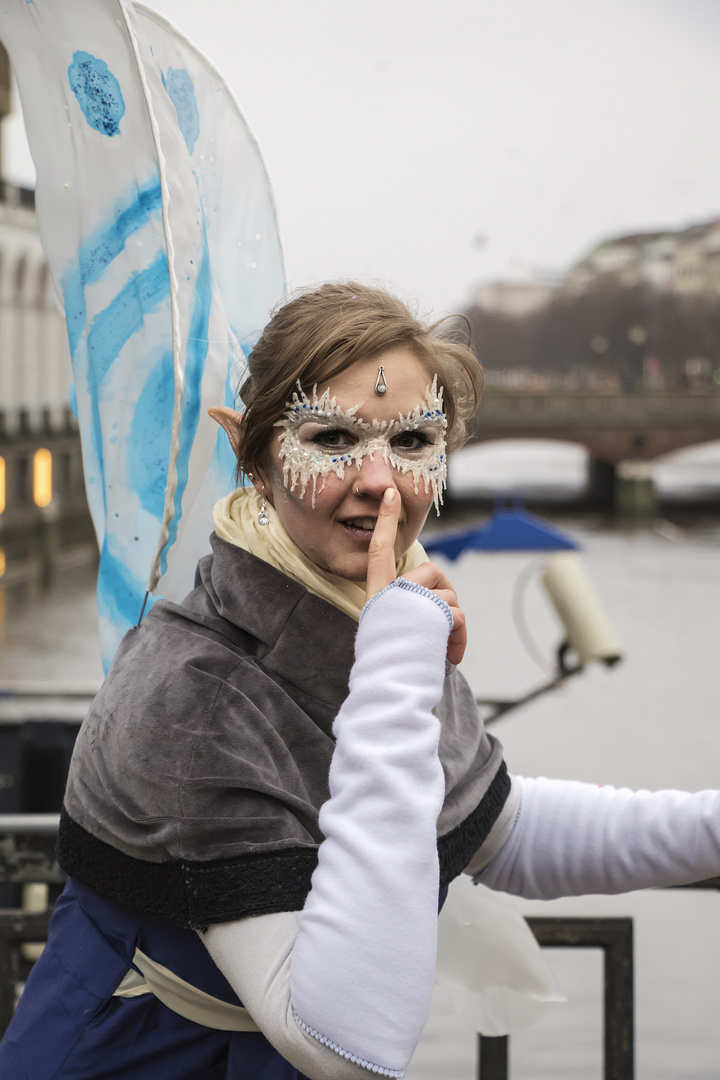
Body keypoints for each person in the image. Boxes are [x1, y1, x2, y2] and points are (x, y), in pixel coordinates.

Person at [1, 282, 719, 1080]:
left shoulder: (380, 614)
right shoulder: (189, 691)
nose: (380, 482)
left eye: (412, 441)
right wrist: (396, 660)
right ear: (257, 458)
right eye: (334, 436)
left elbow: (500, 829)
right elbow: (348, 1042)